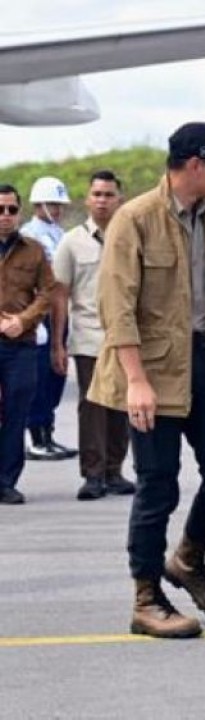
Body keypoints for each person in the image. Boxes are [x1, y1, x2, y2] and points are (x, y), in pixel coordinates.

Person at [89, 122, 205, 639]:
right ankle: (146, 597)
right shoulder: (134, 219)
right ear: (197, 165)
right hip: (152, 370)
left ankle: (188, 559)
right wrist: (136, 381)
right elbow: (117, 308)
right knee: (157, 485)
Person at [51, 171, 136, 501]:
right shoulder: (71, 241)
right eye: (97, 194)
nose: (102, 200)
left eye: (109, 194)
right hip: (88, 336)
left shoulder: (131, 237)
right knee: (92, 406)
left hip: (125, 336)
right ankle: (93, 474)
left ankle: (115, 471)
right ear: (87, 199)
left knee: (122, 407)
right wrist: (58, 342)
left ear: (120, 199)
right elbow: (60, 295)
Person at [0, 183, 55, 505]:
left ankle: (7, 480)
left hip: (21, 344)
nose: (5, 216)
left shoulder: (33, 249)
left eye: (11, 209)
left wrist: (24, 320)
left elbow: (48, 292)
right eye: (0, 209)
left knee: (16, 413)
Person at [21, 176, 76, 461]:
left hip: (60, 311)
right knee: (40, 377)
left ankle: (49, 432)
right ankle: (37, 437)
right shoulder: (29, 235)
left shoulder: (59, 233)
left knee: (57, 373)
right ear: (38, 203)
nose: (57, 209)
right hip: (39, 315)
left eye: (59, 204)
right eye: (52, 204)